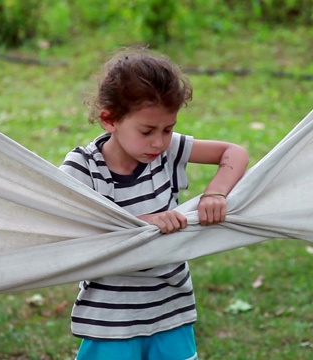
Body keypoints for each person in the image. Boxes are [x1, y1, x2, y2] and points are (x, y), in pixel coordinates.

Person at [59, 47, 249, 360]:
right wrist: (138, 226)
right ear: (110, 119)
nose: (159, 141)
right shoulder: (83, 167)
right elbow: (70, 232)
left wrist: (216, 192)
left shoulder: (167, 151)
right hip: (111, 318)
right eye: (147, 131)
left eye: (168, 128)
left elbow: (235, 152)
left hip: (171, 307)